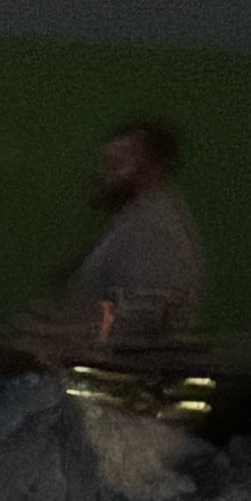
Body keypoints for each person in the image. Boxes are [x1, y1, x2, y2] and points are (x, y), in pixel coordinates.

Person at [61, 115, 207, 345]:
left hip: (131, 368)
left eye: (116, 164)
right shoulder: (136, 221)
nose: (103, 175)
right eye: (104, 164)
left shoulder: (156, 229)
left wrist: (61, 334)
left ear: (153, 170)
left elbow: (147, 319)